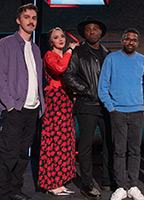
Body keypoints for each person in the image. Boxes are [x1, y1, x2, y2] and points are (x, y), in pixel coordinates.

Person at [63, 17, 113, 199]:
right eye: (88, 29)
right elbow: (68, 76)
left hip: (105, 106)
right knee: (85, 146)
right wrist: (86, 89)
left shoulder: (108, 54)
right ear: (84, 33)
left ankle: (108, 179)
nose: (91, 32)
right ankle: (87, 183)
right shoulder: (79, 52)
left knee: (110, 143)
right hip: (86, 104)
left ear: (101, 32)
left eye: (95, 29)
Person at [98, 28, 144, 200]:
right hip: (118, 112)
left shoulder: (143, 60)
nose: (131, 42)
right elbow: (103, 86)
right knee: (119, 151)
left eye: (134, 40)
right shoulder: (111, 59)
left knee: (135, 151)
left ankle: (133, 185)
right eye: (128, 39)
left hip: (136, 112)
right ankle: (120, 187)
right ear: (122, 41)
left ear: (137, 42)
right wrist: (111, 107)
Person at [0, 3, 45, 200]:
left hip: (32, 109)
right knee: (8, 154)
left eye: (34, 18)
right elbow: (0, 76)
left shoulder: (35, 49)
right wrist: (9, 103)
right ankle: (4, 192)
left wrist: (40, 105)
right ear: (19, 20)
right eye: (27, 17)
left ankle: (16, 190)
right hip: (14, 109)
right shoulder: (6, 44)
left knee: (22, 155)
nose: (31, 21)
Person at [37, 27, 79, 196]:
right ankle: (50, 182)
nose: (61, 39)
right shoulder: (50, 55)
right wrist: (70, 49)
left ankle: (60, 181)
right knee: (53, 141)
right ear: (50, 42)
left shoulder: (65, 56)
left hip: (66, 99)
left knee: (65, 142)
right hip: (55, 100)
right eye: (56, 37)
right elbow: (59, 69)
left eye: (62, 36)